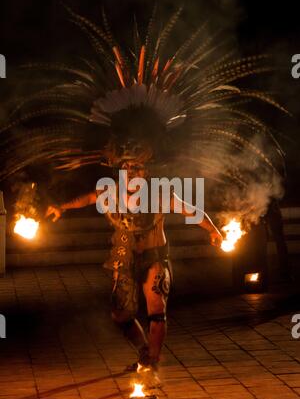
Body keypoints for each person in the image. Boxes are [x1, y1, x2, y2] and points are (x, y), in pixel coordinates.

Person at [46, 158, 222, 387]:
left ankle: (153, 363)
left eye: (136, 167)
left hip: (154, 258)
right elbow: (89, 197)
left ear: (147, 170)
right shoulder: (111, 191)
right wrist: (62, 207)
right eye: (127, 167)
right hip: (125, 258)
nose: (131, 172)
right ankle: (144, 352)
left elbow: (191, 210)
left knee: (156, 311)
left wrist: (213, 230)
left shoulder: (160, 193)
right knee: (120, 315)